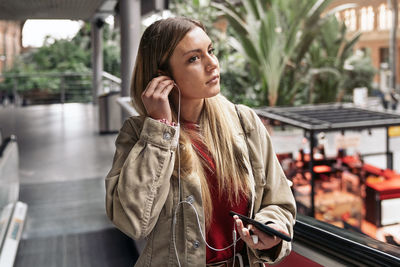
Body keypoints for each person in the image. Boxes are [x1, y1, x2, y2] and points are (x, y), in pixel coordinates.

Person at [105, 17, 296, 267]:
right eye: (194, 58)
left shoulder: (244, 122)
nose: (212, 64)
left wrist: (271, 227)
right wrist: (161, 129)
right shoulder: (139, 134)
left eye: (210, 51)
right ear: (163, 76)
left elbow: (279, 202)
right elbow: (133, 222)